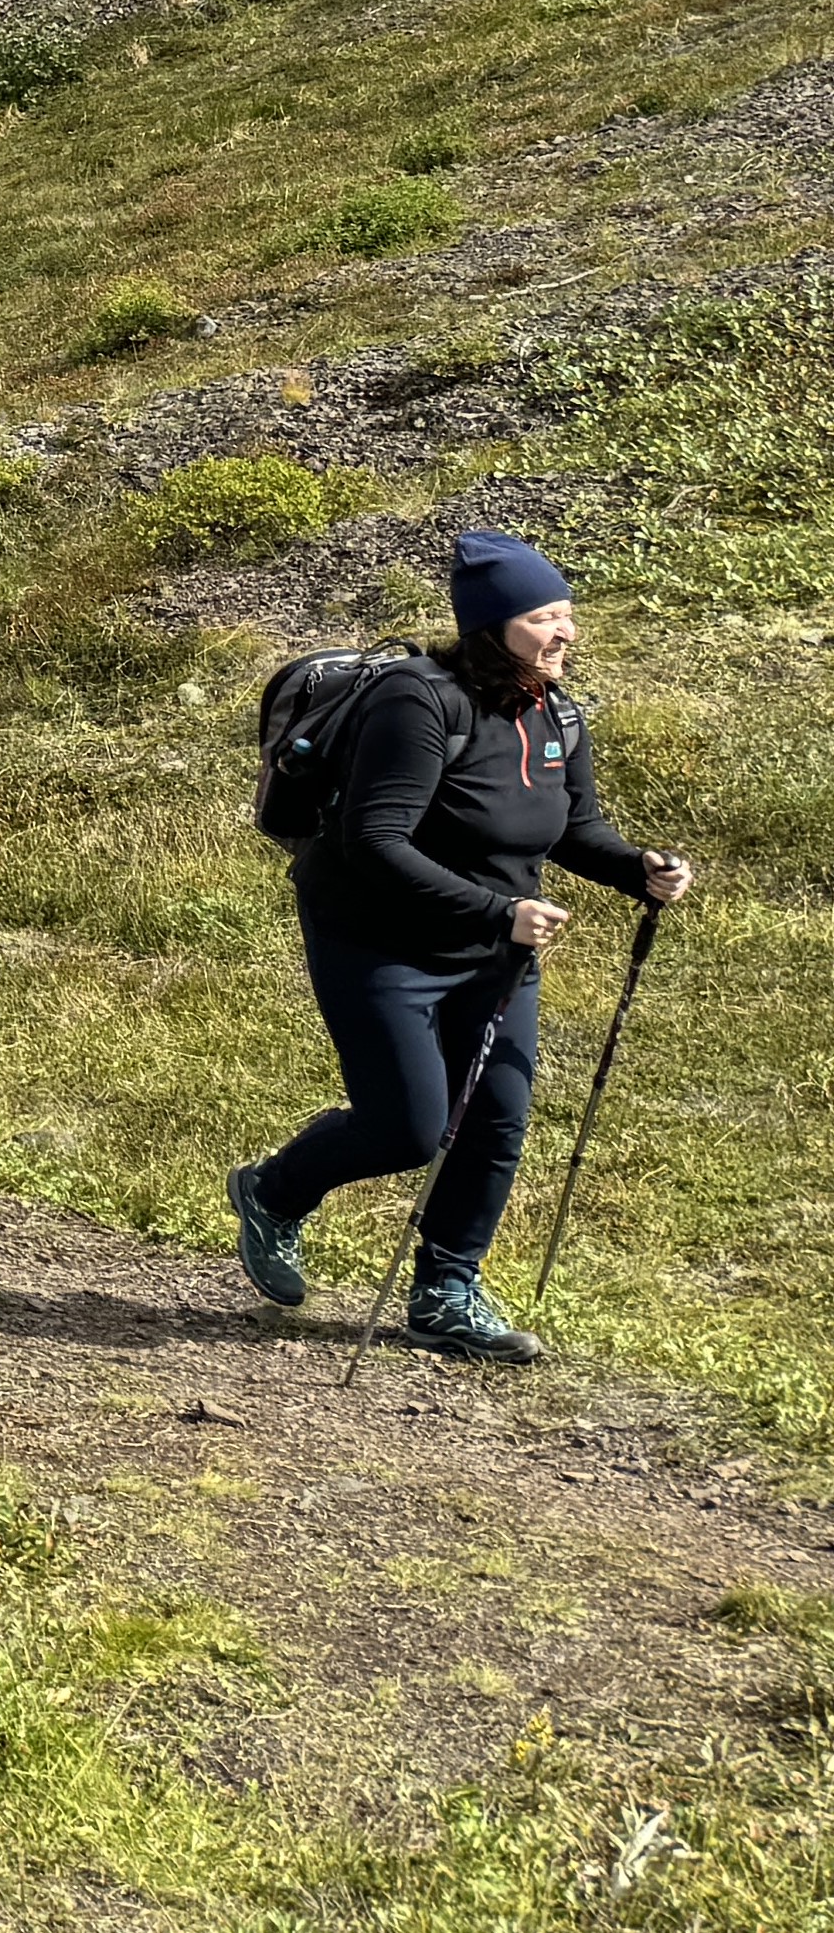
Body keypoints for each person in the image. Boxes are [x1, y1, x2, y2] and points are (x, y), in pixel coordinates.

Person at [225, 533, 693, 1363]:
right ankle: (273, 1191)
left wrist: (636, 869)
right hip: (376, 939)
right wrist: (497, 910)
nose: (566, 632)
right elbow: (375, 839)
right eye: (547, 615)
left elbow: (571, 827)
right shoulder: (419, 700)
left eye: (567, 615)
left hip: (495, 950)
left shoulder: (556, 711)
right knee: (409, 1127)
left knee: (494, 1121)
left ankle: (445, 1290)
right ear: (495, 623)